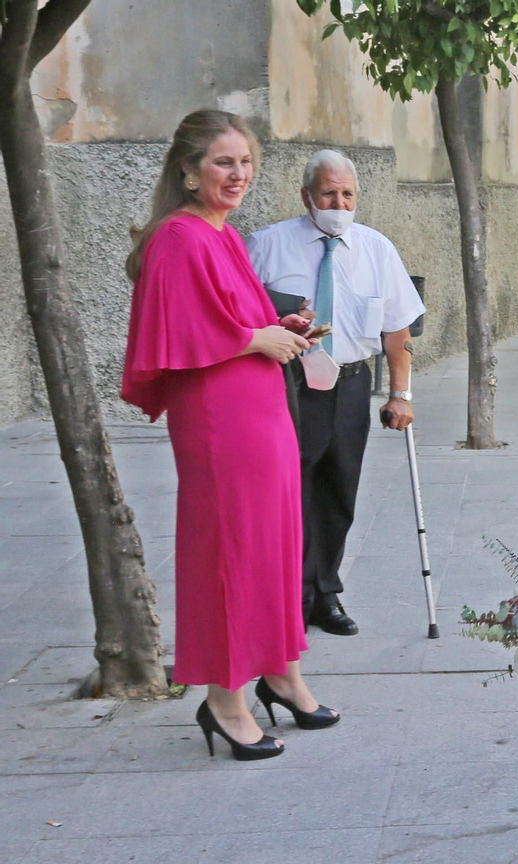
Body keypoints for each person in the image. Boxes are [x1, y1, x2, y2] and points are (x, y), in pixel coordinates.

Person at [122, 110, 340, 761]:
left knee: (273, 543)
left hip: (259, 411)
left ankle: (281, 672)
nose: (238, 173)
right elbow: (176, 332)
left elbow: (226, 317)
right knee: (230, 554)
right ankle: (223, 698)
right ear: (187, 170)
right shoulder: (180, 237)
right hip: (220, 422)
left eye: (245, 161)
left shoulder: (219, 233)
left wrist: (283, 324)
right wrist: (256, 337)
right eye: (223, 162)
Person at [247, 151, 426, 638]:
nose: (338, 202)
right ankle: (293, 597)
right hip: (288, 385)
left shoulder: (376, 250)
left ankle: (324, 593)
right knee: (289, 494)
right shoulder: (265, 246)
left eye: (347, 194)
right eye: (328, 193)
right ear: (307, 196)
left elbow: (397, 329)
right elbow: (239, 315)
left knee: (339, 491)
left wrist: (401, 395)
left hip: (350, 386)